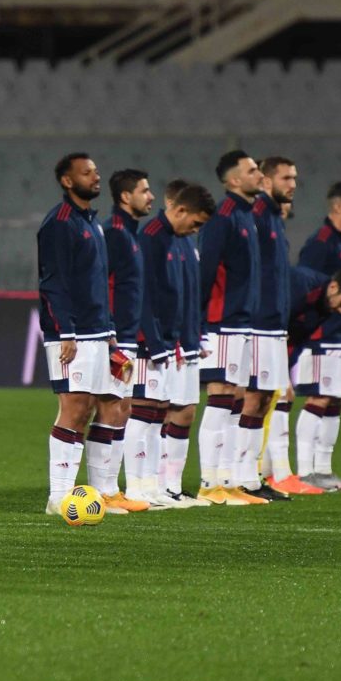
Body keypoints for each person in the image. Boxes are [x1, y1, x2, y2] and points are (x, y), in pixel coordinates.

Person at [39, 153, 119, 515]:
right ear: (68, 182)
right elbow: (53, 282)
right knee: (73, 409)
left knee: (91, 407)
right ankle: (58, 497)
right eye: (87, 172)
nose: (95, 176)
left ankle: (96, 492)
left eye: (96, 170)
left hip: (97, 331)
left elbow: (98, 282)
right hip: (70, 333)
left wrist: (110, 330)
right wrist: (65, 331)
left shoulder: (92, 222)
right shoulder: (59, 223)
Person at [141, 181, 216, 506]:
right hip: (160, 340)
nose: (195, 229)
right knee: (151, 412)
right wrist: (157, 339)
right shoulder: (153, 237)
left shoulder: (182, 241)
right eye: (196, 223)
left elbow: (189, 293)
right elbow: (145, 293)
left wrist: (193, 335)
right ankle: (149, 485)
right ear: (180, 208)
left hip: (181, 339)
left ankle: (169, 486)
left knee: (183, 412)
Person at [196, 150, 264, 506]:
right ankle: (210, 481)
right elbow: (206, 270)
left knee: (236, 401)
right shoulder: (223, 217)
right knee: (221, 400)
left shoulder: (246, 215)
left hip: (241, 321)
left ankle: (228, 478)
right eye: (253, 170)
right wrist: (200, 318)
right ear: (234, 179)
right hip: (221, 321)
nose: (259, 175)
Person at [293, 181, 341, 492]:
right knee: (319, 398)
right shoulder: (321, 243)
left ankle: (323, 470)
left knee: (334, 400)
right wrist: (314, 331)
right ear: (338, 207)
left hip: (338, 336)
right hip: (321, 337)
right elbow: (306, 289)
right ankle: (305, 471)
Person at [232, 156, 297, 503]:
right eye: (286, 177)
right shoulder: (257, 216)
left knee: (264, 399)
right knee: (251, 398)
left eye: (294, 177)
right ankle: (237, 476)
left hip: (273, 325)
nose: (293, 184)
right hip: (257, 324)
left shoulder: (273, 217)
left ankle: (250, 477)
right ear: (268, 183)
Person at [101, 169, 158, 512]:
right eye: (144, 190)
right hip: (113, 334)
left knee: (122, 409)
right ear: (126, 197)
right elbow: (99, 283)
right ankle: (100, 488)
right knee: (109, 408)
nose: (151, 197)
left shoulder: (131, 234)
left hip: (127, 334)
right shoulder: (114, 234)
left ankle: (110, 488)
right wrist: (108, 332)